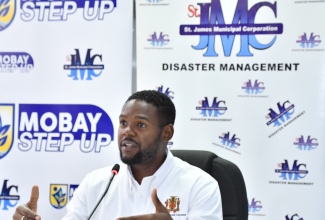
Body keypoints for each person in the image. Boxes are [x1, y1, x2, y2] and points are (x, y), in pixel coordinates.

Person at [13, 90, 223, 220]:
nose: (127, 132)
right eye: (123, 123)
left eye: (140, 125)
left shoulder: (199, 185)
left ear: (166, 133)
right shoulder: (97, 183)